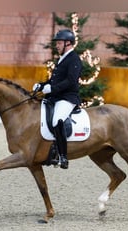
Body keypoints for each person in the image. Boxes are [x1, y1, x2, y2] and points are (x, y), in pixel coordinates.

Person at [33, 29, 82, 169]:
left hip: (68, 98)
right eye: (58, 43)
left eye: (59, 43)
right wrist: (42, 85)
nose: (57, 45)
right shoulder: (62, 58)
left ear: (68, 43)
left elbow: (71, 81)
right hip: (57, 97)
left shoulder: (74, 59)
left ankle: (63, 156)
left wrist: (52, 89)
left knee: (57, 120)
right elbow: (54, 80)